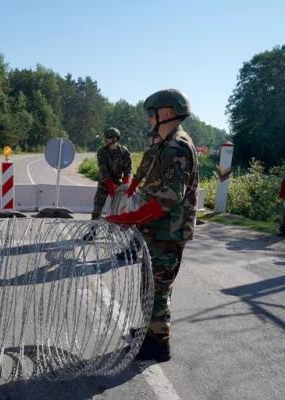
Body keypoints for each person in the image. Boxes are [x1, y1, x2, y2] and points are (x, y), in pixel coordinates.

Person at [106, 89, 198, 362]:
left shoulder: (176, 146)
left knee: (158, 289)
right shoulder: (166, 144)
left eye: (150, 113)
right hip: (158, 228)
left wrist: (129, 219)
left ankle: (158, 344)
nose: (148, 119)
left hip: (167, 230)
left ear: (166, 113)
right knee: (150, 286)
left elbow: (169, 198)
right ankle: (150, 332)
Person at [90, 127, 132, 220]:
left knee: (116, 211)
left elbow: (128, 169)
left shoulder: (124, 152)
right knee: (97, 209)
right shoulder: (102, 152)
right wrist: (110, 185)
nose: (105, 139)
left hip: (118, 185)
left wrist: (126, 185)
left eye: (108, 137)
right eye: (105, 137)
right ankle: (92, 232)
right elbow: (103, 171)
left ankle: (111, 233)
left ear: (115, 139)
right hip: (104, 184)